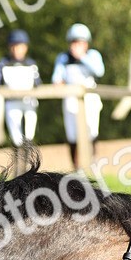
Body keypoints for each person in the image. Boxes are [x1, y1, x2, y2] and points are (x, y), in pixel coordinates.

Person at [52, 23, 105, 169]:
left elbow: (99, 71)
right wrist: (58, 82)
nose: (77, 46)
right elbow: (56, 78)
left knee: (92, 131)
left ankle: (92, 163)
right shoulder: (63, 58)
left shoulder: (93, 55)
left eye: (81, 42)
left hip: (90, 99)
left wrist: (82, 57)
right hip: (70, 100)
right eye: (74, 42)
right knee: (72, 134)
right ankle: (76, 168)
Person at [0, 30, 41, 148]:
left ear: (25, 48)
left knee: (29, 134)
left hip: (29, 101)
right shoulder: (3, 63)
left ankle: (30, 162)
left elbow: (38, 83)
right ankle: (19, 164)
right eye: (14, 46)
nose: (16, 50)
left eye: (20, 47)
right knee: (16, 136)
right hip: (12, 101)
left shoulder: (31, 64)